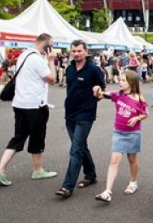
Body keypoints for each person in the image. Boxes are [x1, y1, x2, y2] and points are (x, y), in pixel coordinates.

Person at [0, 33, 58, 187]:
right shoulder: (39, 60)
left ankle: (0, 169)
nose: (52, 48)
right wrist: (51, 61)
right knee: (37, 136)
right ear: (46, 44)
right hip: (35, 104)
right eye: (51, 45)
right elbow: (52, 79)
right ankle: (38, 169)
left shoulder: (24, 55)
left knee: (18, 137)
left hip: (19, 103)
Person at [55, 40, 106, 198]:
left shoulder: (94, 69)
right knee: (80, 146)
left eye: (79, 51)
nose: (76, 54)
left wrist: (98, 90)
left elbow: (102, 89)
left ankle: (67, 186)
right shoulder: (69, 69)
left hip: (86, 114)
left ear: (86, 51)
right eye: (74, 51)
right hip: (70, 113)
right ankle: (91, 175)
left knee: (75, 149)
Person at [92, 70, 148, 203]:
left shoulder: (139, 98)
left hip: (133, 133)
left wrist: (137, 118)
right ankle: (107, 191)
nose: (120, 82)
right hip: (118, 132)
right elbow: (100, 94)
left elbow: (145, 114)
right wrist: (97, 88)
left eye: (123, 80)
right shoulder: (117, 95)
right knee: (114, 159)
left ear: (132, 83)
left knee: (132, 158)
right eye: (120, 80)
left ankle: (133, 182)